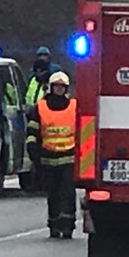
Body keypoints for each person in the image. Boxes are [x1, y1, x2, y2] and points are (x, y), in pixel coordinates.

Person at [27, 71, 78, 239]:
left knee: (68, 193)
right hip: (47, 159)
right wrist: (33, 151)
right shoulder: (40, 107)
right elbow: (33, 131)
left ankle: (68, 226)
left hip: (69, 157)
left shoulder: (74, 106)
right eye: (56, 86)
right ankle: (54, 225)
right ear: (51, 87)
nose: (59, 89)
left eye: (62, 87)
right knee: (53, 194)